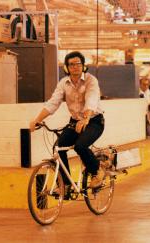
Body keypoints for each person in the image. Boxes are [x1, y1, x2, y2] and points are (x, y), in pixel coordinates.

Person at [29, 51, 105, 190]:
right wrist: (37, 119)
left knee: (80, 146)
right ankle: (66, 184)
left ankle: (97, 171)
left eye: (78, 64)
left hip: (94, 120)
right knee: (58, 147)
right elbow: (54, 102)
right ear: (66, 68)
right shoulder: (63, 83)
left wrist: (86, 118)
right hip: (75, 121)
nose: (75, 67)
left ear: (83, 66)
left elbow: (92, 99)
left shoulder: (91, 80)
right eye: (71, 64)